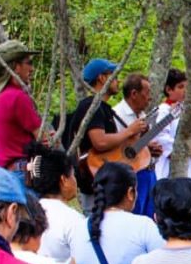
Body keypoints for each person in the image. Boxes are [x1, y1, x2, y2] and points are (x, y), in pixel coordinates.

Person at [61, 57, 146, 213]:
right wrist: (129, 131)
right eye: (113, 75)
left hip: (102, 181)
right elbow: (99, 142)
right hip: (94, 179)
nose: (117, 80)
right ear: (102, 78)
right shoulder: (91, 105)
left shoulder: (103, 108)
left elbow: (110, 147)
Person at [153, 68, 191, 228]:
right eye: (180, 87)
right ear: (168, 89)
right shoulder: (164, 111)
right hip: (171, 168)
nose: (184, 90)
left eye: (186, 86)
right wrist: (184, 150)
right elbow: (161, 138)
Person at [0, 39, 43, 177]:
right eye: (29, 63)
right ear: (16, 66)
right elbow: (42, 138)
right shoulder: (17, 97)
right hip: (24, 171)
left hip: (2, 172)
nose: (32, 69)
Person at [27, 141, 82, 264]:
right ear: (63, 180)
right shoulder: (73, 220)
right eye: (72, 175)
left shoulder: (26, 215)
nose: (75, 181)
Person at [113, 73, 161, 217]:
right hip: (131, 176)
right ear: (134, 94)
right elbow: (116, 151)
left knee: (151, 217)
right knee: (134, 215)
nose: (150, 98)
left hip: (149, 172)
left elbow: (139, 146)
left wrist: (149, 148)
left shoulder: (142, 116)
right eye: (147, 93)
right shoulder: (116, 114)